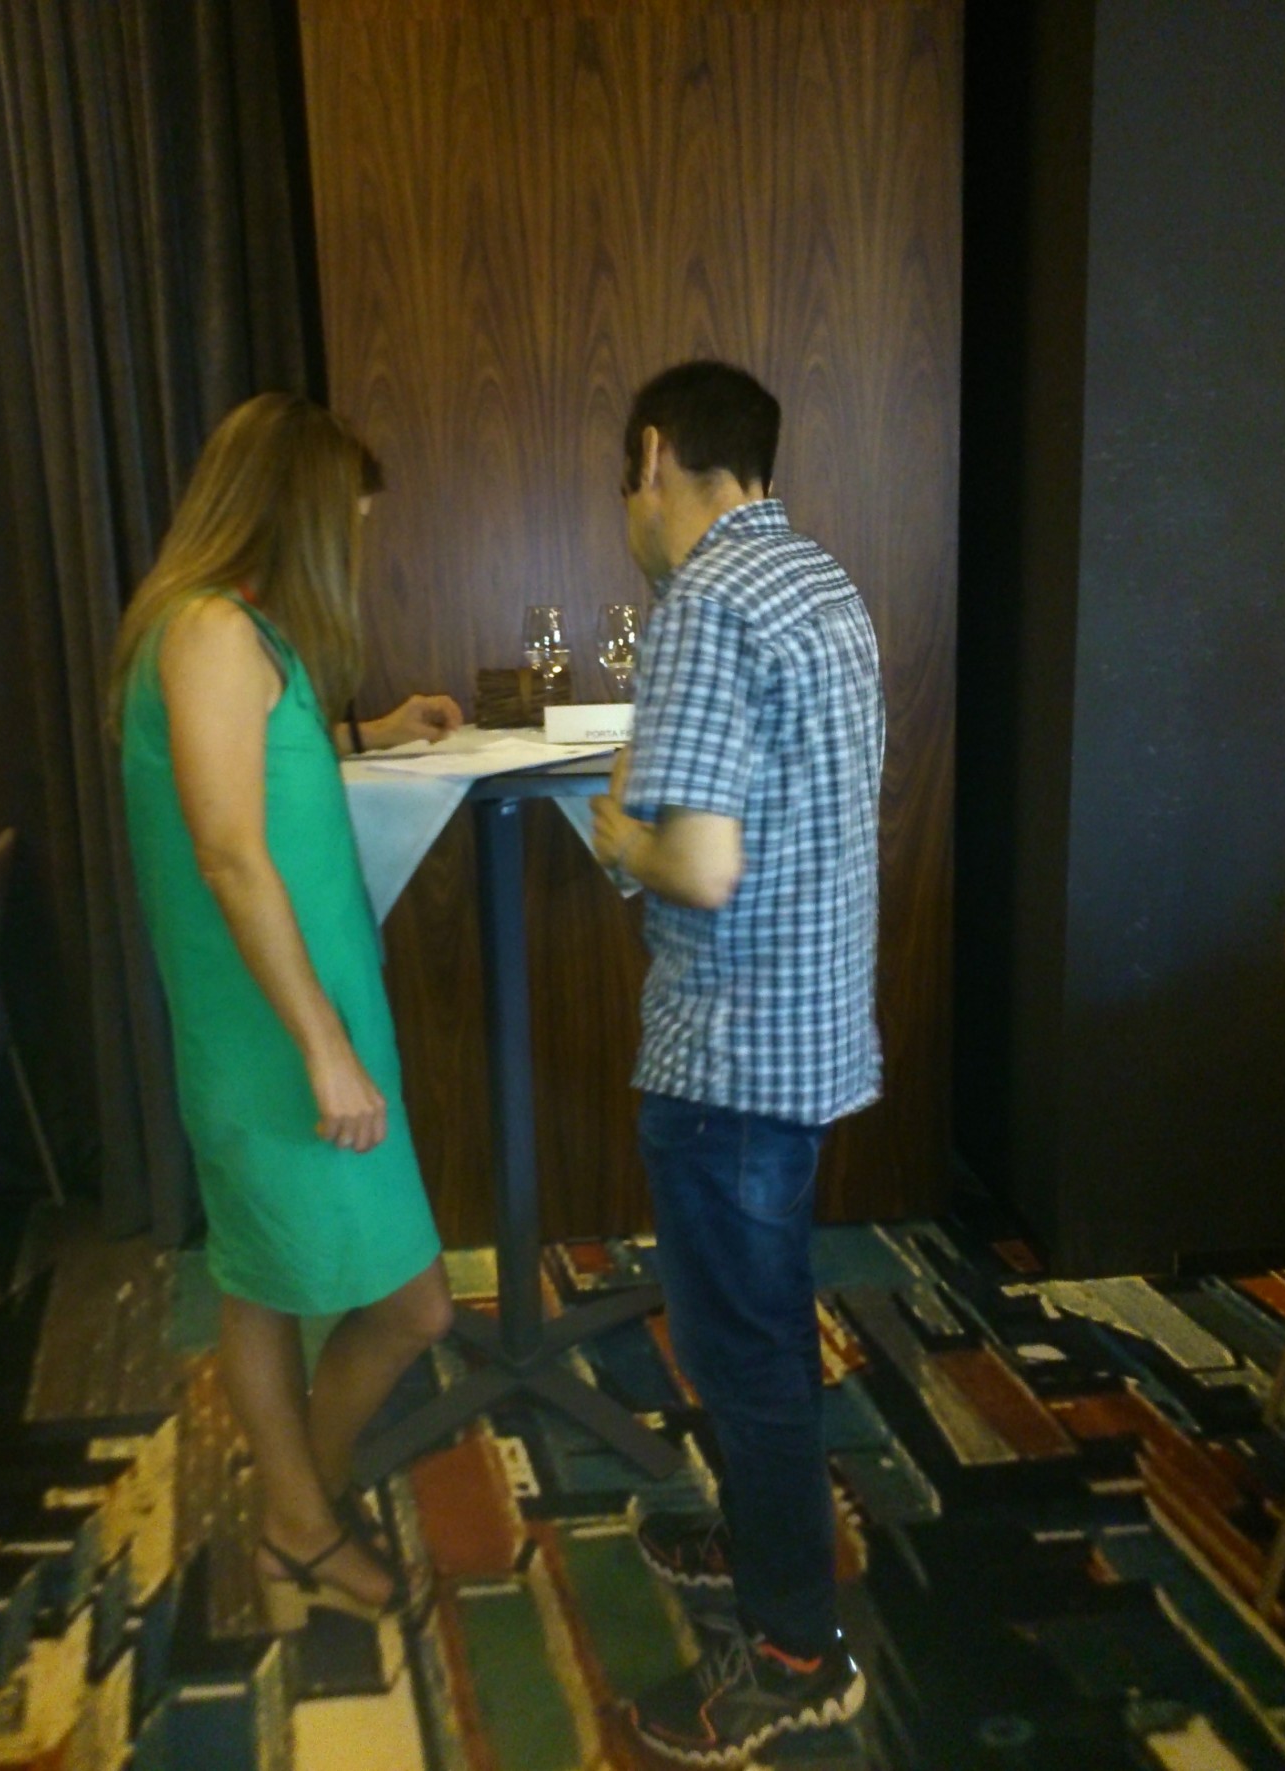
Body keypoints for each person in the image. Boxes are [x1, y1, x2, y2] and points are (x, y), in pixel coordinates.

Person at [109, 393, 459, 1628]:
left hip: (291, 1019)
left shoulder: (238, 629)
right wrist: (323, 1049)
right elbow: (227, 850)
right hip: (277, 1035)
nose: (353, 543)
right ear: (299, 511)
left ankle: (293, 1511)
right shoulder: (210, 629)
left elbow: (259, 771)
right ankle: (302, 1507)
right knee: (414, 1304)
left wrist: (369, 731)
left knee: (257, 1279)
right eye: (348, 520)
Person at [592, 360, 883, 1765]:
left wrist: (617, 837)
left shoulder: (705, 601)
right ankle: (772, 1539)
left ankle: (796, 1651)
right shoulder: (823, 582)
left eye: (624, 481)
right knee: (761, 1324)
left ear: (654, 454)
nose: (626, 514)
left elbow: (700, 866)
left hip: (725, 1056)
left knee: (743, 1347)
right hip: (808, 1032)